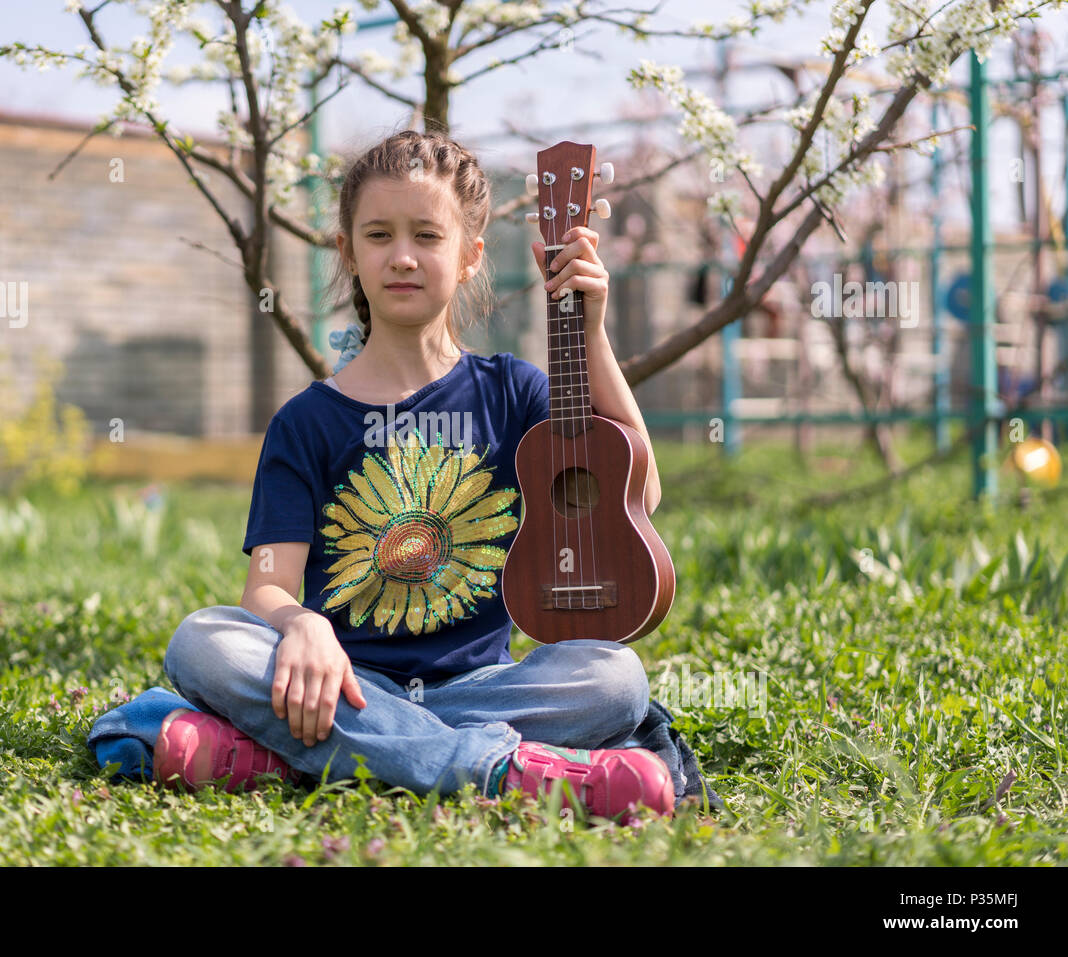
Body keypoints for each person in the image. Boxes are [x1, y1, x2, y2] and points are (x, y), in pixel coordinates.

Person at [156, 129, 689, 826]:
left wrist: (591, 333)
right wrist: (300, 622)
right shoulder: (306, 422)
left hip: (487, 687)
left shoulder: (517, 394)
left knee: (614, 679)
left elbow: (640, 493)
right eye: (378, 235)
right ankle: (503, 770)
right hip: (348, 680)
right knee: (203, 641)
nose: (401, 256)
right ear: (347, 252)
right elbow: (266, 584)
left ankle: (294, 753)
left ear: (470, 255)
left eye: (427, 236)